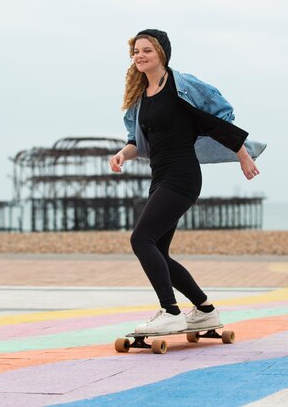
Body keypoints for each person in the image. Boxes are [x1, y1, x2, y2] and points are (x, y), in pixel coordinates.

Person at [109, 29, 265, 334]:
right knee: (159, 251)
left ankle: (170, 311)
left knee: (141, 240)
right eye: (136, 52)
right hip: (161, 176)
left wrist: (243, 154)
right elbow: (138, 142)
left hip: (183, 176)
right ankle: (205, 310)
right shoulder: (140, 99)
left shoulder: (181, 88)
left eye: (147, 51)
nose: (140, 56)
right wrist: (122, 154)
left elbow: (215, 122)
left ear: (162, 54)